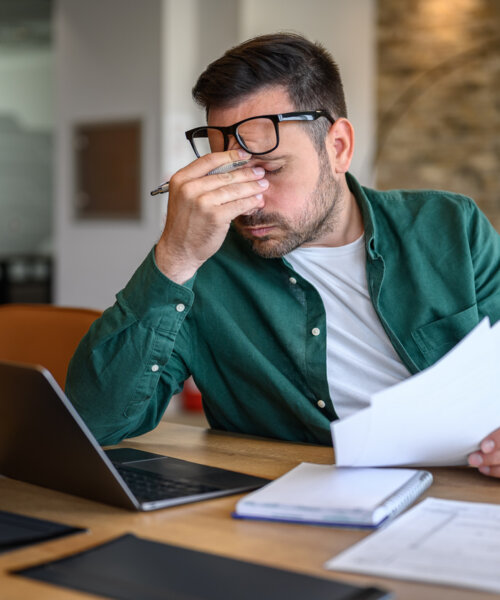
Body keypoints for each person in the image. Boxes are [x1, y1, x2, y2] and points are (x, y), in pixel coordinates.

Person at [66, 33, 500, 477]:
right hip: (290, 513)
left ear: (338, 148)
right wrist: (174, 258)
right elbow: (95, 421)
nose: (248, 200)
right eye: (229, 172)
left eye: (270, 169)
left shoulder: (449, 225)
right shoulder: (201, 267)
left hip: (464, 490)